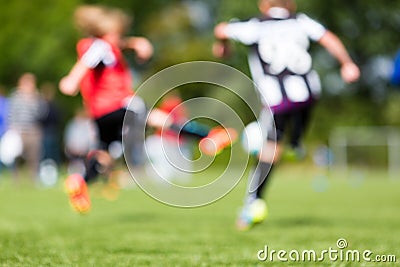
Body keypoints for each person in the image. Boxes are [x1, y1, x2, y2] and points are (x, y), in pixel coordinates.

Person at [60, 4, 236, 213]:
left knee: (105, 154)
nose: (120, 38)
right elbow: (86, 62)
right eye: (118, 34)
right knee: (154, 117)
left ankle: (79, 181)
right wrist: (72, 80)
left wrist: (135, 44)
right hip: (117, 104)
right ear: (107, 32)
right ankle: (207, 136)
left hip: (100, 113)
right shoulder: (100, 47)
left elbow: (111, 47)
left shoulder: (100, 44)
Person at [214, 0, 360, 230]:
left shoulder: (255, 26)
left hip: (276, 98)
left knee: (269, 149)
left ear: (264, 5)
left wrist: (223, 45)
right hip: (308, 92)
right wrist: (347, 63)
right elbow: (329, 38)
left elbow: (221, 28)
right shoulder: (301, 22)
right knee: (289, 133)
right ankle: (296, 143)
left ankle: (253, 203)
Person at [8, 73, 44, 180]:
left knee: (34, 156)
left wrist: (33, 100)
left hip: (33, 130)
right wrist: (12, 127)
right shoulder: (15, 96)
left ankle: (33, 178)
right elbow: (11, 112)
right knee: (16, 155)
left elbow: (41, 113)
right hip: (19, 130)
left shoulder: (37, 97)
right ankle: (15, 178)